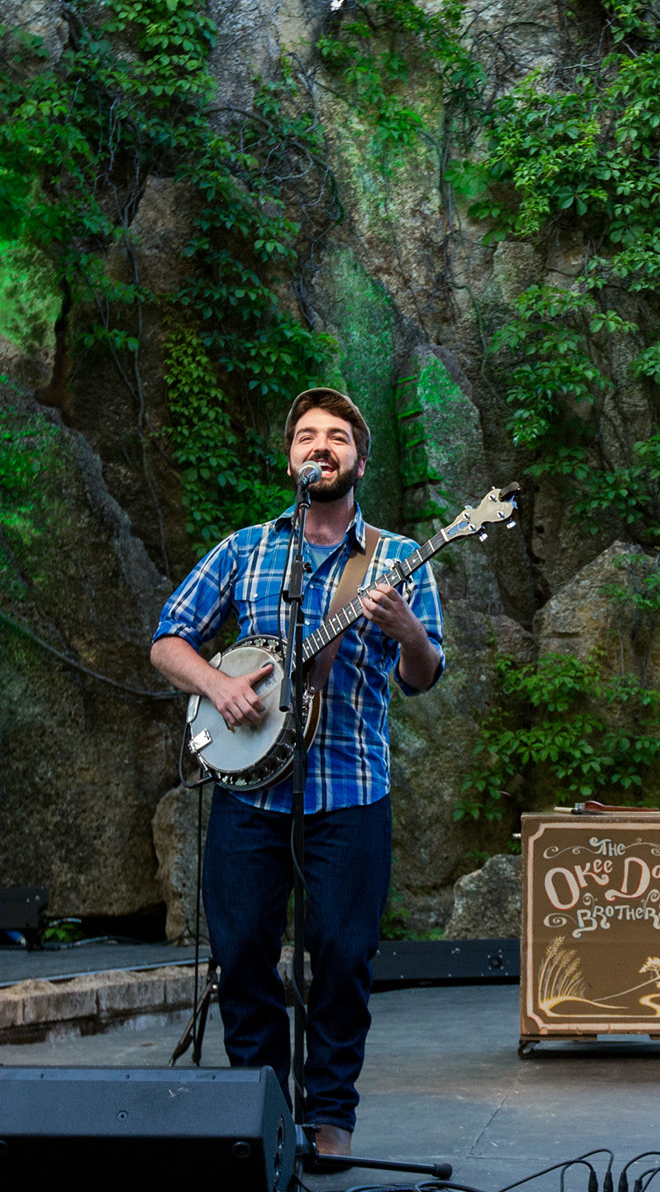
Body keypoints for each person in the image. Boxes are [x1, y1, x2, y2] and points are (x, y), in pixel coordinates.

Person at [150, 387, 443, 1164]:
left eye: (338, 436)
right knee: (243, 950)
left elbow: (424, 674)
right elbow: (167, 638)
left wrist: (406, 628)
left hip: (351, 790)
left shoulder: (400, 559)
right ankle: (262, 1111)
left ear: (359, 460)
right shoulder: (247, 549)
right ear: (290, 458)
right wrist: (218, 685)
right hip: (248, 789)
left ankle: (331, 1115)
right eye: (308, 435)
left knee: (344, 956)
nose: (323, 445)